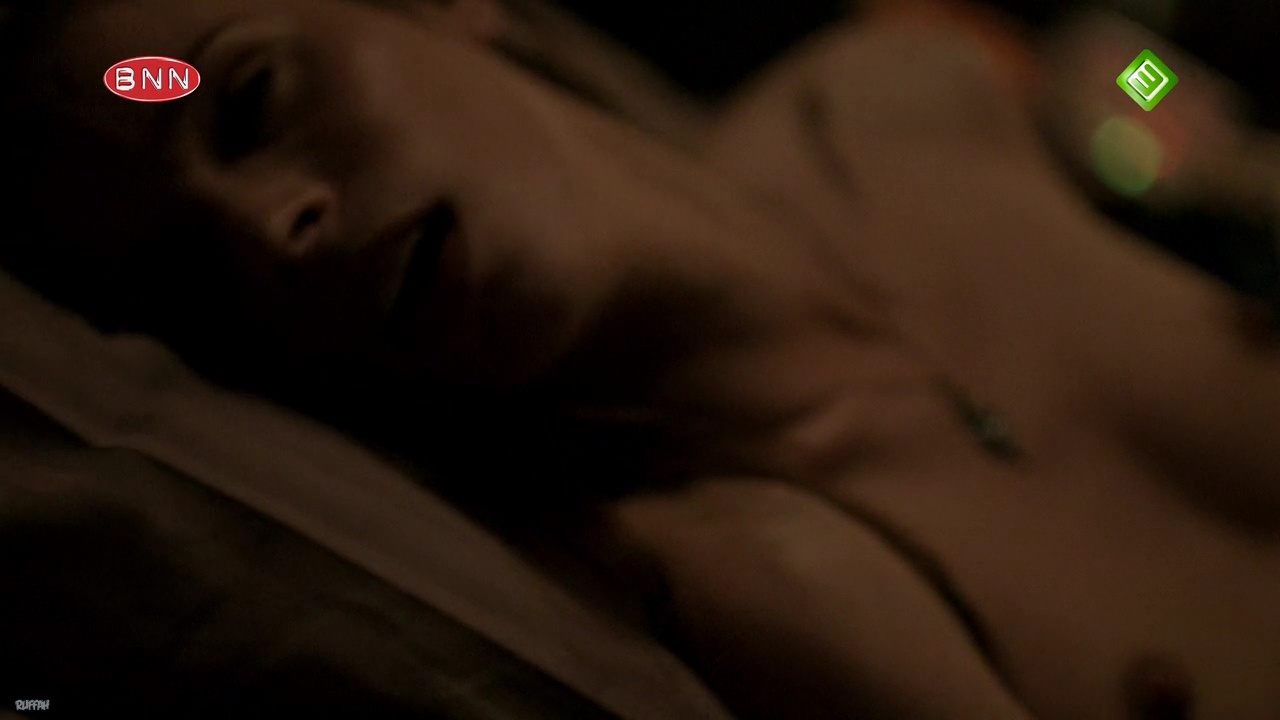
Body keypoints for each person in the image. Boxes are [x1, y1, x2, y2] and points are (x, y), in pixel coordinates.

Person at [2, 0, 1279, 717]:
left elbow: (1142, 78)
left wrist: (1147, 95)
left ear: (448, 8)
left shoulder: (898, 86)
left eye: (249, 103)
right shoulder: (766, 571)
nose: (273, 230)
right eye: (199, 276)